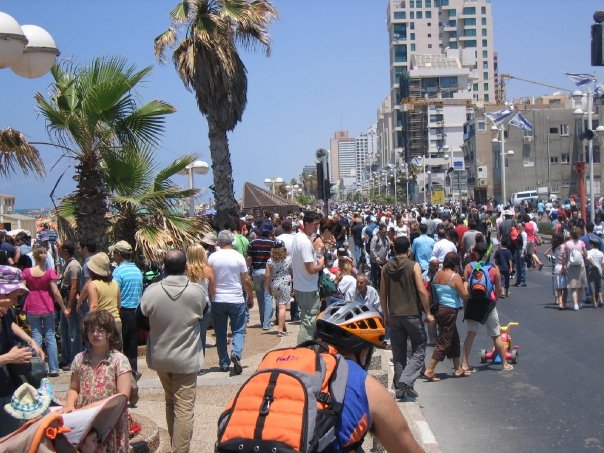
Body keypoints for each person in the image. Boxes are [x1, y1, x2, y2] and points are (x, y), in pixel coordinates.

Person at [137, 249, 207, 453]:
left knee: (170, 400)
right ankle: (180, 449)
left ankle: (175, 443)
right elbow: (205, 314)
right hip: (186, 357)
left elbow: (140, 319)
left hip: (160, 356)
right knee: (184, 406)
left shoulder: (152, 291)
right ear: (186, 266)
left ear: (164, 267)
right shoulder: (196, 292)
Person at [62, 310, 131, 452]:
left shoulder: (119, 360)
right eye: (91, 330)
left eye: (101, 331)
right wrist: (69, 404)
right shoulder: (79, 359)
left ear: (109, 333)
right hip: (86, 422)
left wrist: (92, 408)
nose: (95, 334)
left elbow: (123, 396)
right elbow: (74, 388)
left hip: (110, 420)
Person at [380, 236, 434, 399]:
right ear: (409, 250)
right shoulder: (414, 266)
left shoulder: (386, 268)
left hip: (394, 315)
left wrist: (386, 314)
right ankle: (406, 379)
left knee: (399, 353)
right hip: (412, 314)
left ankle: (400, 389)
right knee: (420, 348)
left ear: (394, 249)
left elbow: (383, 293)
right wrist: (428, 313)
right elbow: (422, 290)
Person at [0, 265, 40, 436]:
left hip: (7, 387)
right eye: (14, 297)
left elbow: (11, 325)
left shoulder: (6, 312)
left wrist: (31, 341)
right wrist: (9, 358)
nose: (16, 302)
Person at [461, 242, 513, 372]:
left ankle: (465, 364)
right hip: (488, 304)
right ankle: (504, 364)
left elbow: (465, 288)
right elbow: (498, 289)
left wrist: (466, 304)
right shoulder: (494, 268)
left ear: (476, 253)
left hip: (472, 303)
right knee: (496, 334)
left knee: (470, 335)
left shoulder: (469, 267)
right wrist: (494, 301)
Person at [209, 230, 254, 374]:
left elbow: (209, 278)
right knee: (239, 329)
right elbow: (246, 279)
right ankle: (236, 353)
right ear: (232, 242)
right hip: (236, 298)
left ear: (219, 242)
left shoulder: (212, 257)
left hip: (218, 298)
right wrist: (250, 296)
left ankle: (223, 361)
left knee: (220, 332)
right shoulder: (238, 257)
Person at [23, 245, 69, 377]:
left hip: (32, 305)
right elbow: (56, 292)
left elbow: (23, 288)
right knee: (50, 336)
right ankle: (53, 368)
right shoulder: (49, 273)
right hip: (47, 305)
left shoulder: (27, 272)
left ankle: (37, 367)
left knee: (36, 336)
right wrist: (64, 308)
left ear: (34, 257)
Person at [423, 252, 469, 381]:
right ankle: (430, 370)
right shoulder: (455, 276)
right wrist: (465, 285)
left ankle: (458, 368)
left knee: (453, 338)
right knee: (445, 341)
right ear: (456, 264)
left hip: (439, 309)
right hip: (449, 310)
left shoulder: (438, 274)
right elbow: (464, 295)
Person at [110, 241, 143, 380]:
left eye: (114, 253)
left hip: (123, 311)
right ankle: (133, 372)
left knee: (120, 346)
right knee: (132, 345)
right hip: (136, 312)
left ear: (118, 254)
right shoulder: (137, 270)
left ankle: (123, 375)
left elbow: (115, 292)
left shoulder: (118, 272)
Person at [291, 211, 325, 344]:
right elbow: (311, 269)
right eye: (315, 224)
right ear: (306, 223)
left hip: (300, 286)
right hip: (308, 288)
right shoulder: (305, 242)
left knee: (306, 320)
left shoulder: (297, 238)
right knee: (308, 323)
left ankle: (306, 347)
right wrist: (321, 265)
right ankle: (303, 348)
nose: (317, 227)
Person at [77, 253, 122, 341]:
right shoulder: (114, 283)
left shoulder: (93, 285)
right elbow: (118, 305)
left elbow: (94, 307)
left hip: (102, 324)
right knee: (116, 349)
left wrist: (87, 325)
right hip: (116, 322)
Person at [186, 243, 215, 355]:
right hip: (204, 305)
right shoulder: (208, 270)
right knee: (201, 335)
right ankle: (200, 361)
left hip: (188, 305)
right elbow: (212, 291)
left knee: (188, 336)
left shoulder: (185, 270)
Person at [58, 240, 82, 371]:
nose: (58, 250)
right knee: (64, 330)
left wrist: (69, 306)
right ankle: (66, 357)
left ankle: (74, 360)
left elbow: (74, 287)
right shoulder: (67, 264)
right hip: (65, 302)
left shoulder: (74, 266)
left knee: (73, 333)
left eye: (60, 248)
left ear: (65, 251)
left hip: (70, 302)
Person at [247, 220, 275, 331]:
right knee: (268, 297)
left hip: (256, 272)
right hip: (268, 272)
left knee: (260, 298)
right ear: (270, 231)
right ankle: (266, 323)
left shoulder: (253, 242)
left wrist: (248, 271)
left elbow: (249, 258)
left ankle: (263, 320)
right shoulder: (272, 243)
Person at [265, 240, 292, 336]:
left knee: (279, 305)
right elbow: (293, 272)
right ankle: (280, 330)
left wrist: (267, 286)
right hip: (285, 284)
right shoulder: (289, 259)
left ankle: (283, 327)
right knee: (282, 306)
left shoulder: (269, 261)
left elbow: (267, 275)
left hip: (274, 284)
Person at [562, 226, 588, 311]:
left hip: (571, 265)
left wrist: (563, 267)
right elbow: (585, 254)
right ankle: (579, 302)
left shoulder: (567, 244)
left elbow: (565, 257)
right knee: (580, 286)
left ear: (571, 234)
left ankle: (575, 304)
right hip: (580, 265)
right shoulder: (581, 243)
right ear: (579, 234)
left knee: (573, 287)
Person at [544, 234, 568, 309]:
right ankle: (563, 303)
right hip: (564, 268)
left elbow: (545, 254)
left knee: (558, 288)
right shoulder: (565, 247)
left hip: (557, 269)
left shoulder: (555, 248)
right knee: (564, 288)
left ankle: (560, 302)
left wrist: (551, 246)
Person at [369, 224, 389, 290]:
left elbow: (387, 249)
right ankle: (375, 288)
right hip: (375, 261)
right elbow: (372, 249)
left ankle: (380, 289)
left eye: (386, 231)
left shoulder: (386, 238)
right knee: (375, 276)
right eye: (384, 231)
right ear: (380, 231)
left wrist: (386, 257)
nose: (385, 233)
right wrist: (376, 257)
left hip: (383, 261)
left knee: (381, 276)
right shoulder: (375, 238)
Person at [586, 237, 604, 308]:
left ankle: (595, 302)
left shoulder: (589, 252)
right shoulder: (601, 253)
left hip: (591, 269)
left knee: (591, 286)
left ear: (592, 244)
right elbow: (602, 264)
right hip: (599, 270)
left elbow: (588, 258)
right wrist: (602, 272)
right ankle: (601, 300)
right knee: (598, 286)